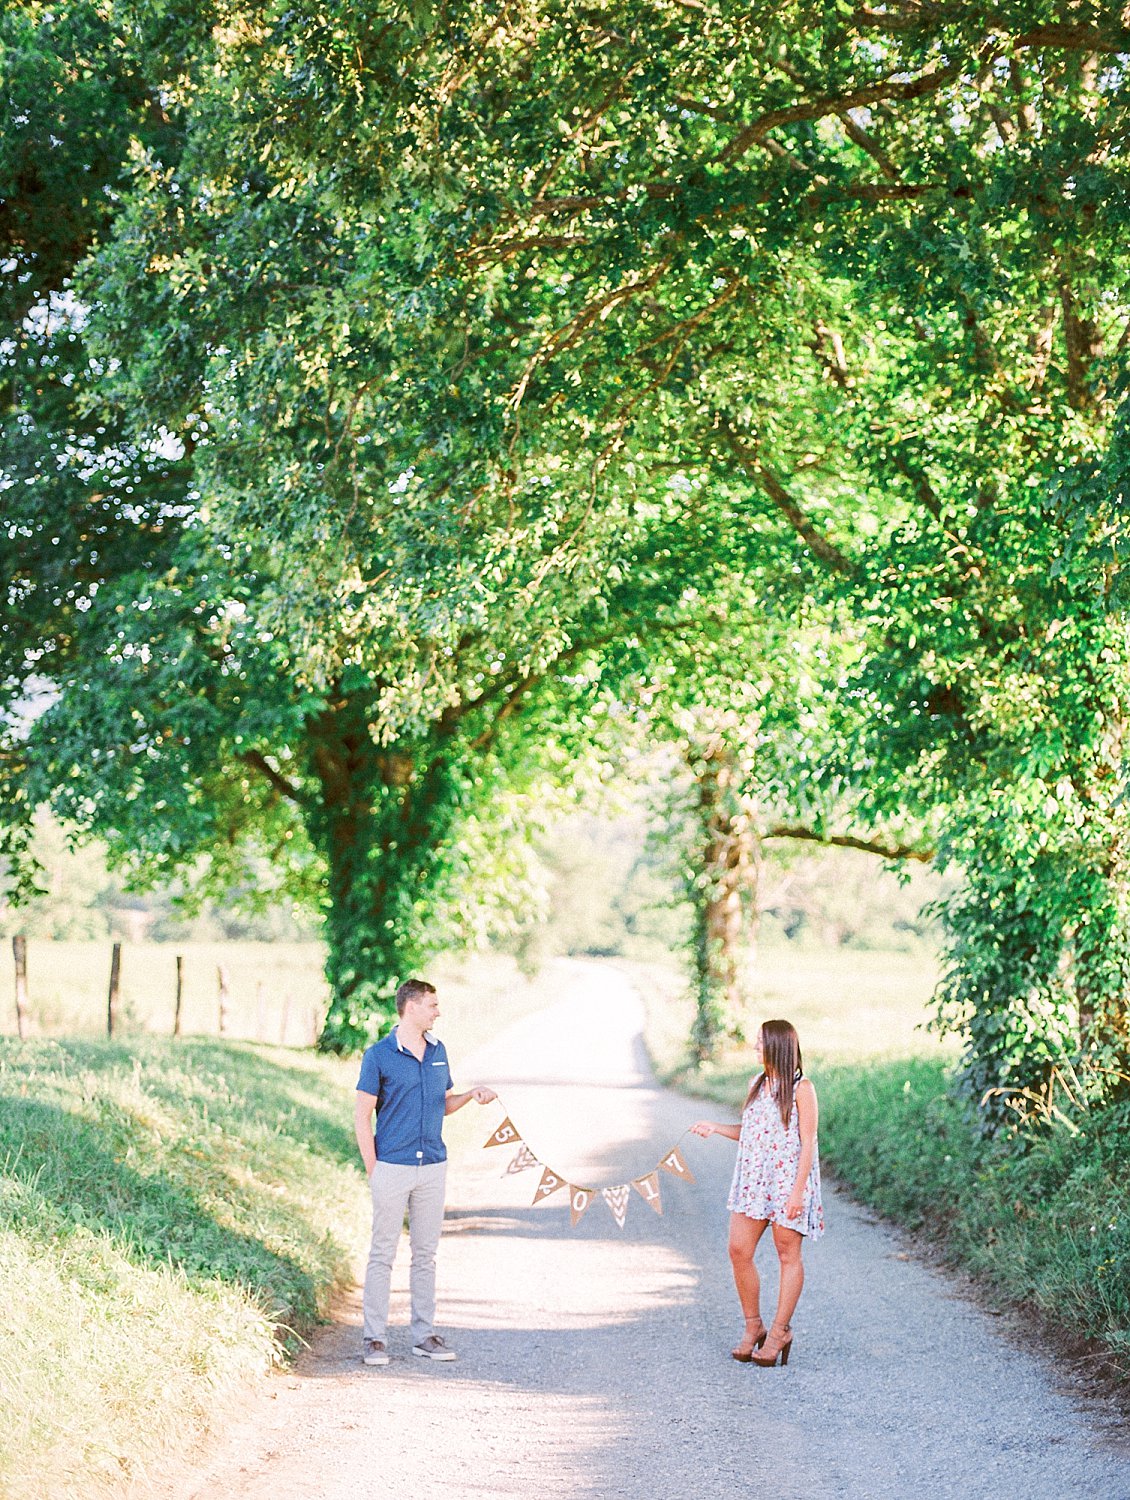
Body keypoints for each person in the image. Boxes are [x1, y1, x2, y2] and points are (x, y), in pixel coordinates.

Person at [354, 977, 497, 1365]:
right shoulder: (378, 1055)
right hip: (392, 1167)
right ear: (411, 1006)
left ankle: (424, 1335)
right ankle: (374, 1338)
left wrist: (470, 1095)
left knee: (426, 1254)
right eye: (432, 1005)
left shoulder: (439, 1051)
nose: (438, 1011)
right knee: (383, 1253)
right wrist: (374, 1169)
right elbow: (362, 1117)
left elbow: (444, 1104)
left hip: (433, 1166)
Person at [691, 1017, 823, 1367]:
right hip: (754, 1182)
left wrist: (797, 1193)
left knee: (786, 1254)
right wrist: (716, 1128)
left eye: (760, 1042)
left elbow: (808, 1142)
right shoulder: (757, 1084)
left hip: (788, 1183)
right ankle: (754, 1326)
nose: (754, 1047)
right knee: (738, 1249)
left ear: (777, 1047)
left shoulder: (802, 1089)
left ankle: (780, 1331)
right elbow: (752, 1133)